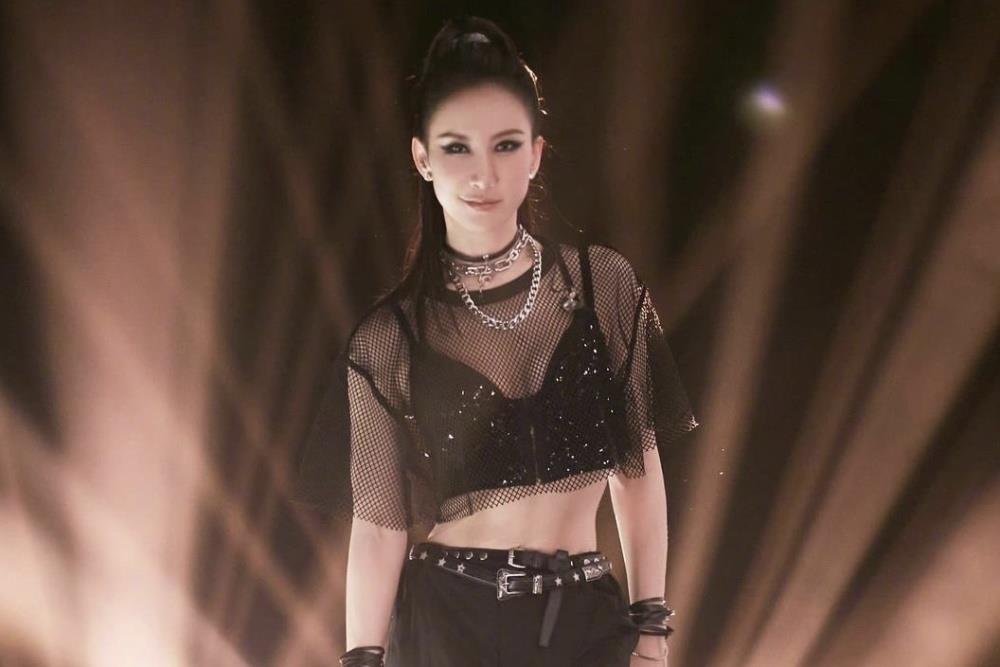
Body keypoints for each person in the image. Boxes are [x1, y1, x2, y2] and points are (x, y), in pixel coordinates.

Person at [295, 15, 700, 667]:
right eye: (457, 147)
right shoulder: (390, 336)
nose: (483, 173)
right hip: (450, 622)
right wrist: (362, 659)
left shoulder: (604, 285)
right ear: (423, 158)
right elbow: (377, 527)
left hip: (585, 620)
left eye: (505, 145)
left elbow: (638, 471)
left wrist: (650, 626)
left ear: (535, 153)